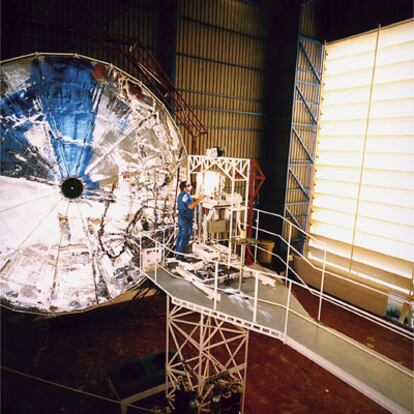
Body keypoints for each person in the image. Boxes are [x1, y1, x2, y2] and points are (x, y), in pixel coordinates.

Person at [175, 181, 204, 260]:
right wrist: (200, 199)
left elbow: (190, 202)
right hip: (186, 219)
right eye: (188, 185)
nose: (190, 187)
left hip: (181, 217)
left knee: (180, 236)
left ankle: (177, 253)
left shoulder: (181, 195)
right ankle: (180, 256)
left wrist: (199, 199)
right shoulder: (186, 195)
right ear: (185, 188)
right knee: (185, 237)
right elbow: (191, 206)